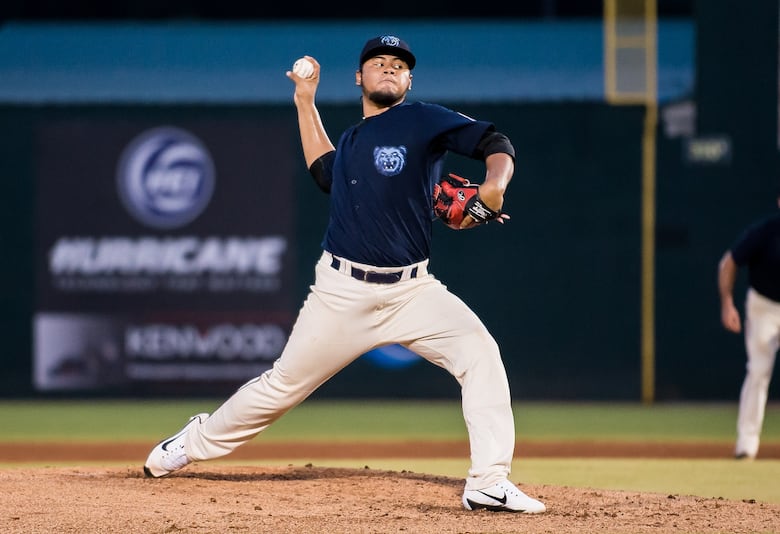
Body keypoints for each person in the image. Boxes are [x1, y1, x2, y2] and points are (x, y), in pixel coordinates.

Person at [144, 34, 545, 514]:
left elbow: (494, 142)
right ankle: (194, 442)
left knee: (480, 354)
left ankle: (488, 480)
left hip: (413, 291)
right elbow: (323, 172)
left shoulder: (422, 120)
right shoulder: (354, 139)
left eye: (399, 64)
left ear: (410, 78)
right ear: (360, 78)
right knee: (280, 388)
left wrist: (495, 185)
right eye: (379, 62)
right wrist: (304, 101)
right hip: (341, 292)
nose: (390, 69)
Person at [718, 193, 780, 460]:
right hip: (763, 306)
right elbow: (729, 263)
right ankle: (746, 445)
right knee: (758, 370)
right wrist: (727, 303)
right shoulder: (764, 232)